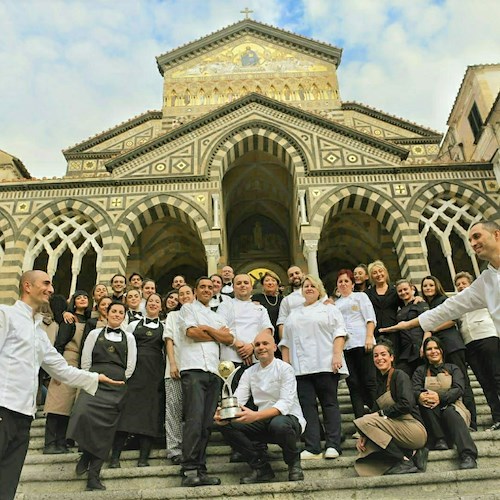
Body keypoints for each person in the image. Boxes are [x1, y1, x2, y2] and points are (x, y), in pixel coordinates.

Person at [0, 271, 122, 499]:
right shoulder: (5, 315)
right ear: (27, 286)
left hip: (24, 416)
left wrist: (95, 378)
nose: (51, 289)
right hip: (2, 408)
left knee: (7, 481)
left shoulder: (37, 331)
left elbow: (61, 369)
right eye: (46, 283)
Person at [382, 220, 499, 346]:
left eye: (477, 236)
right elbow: (448, 308)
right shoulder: (486, 281)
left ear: (496, 234)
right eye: (470, 240)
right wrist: (407, 324)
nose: (473, 244)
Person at [215, 331, 306, 483]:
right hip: (262, 422)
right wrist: (224, 414)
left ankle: (294, 465)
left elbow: (284, 404)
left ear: (275, 347)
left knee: (279, 423)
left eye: (265, 343)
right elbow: (239, 400)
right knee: (228, 426)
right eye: (257, 345)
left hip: (289, 420)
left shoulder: (285, 369)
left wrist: (255, 416)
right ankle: (261, 468)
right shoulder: (250, 372)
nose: (261, 347)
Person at [67, 301, 137, 491]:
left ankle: (93, 476)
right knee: (81, 414)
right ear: (106, 313)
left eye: (120, 312)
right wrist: (93, 379)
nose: (116, 314)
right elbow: (85, 361)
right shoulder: (93, 334)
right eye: (113, 311)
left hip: (116, 386)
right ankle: (86, 453)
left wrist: (118, 379)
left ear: (124, 316)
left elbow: (130, 366)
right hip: (95, 383)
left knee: (106, 431)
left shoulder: (129, 338)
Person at [280, 275, 348, 460]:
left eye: (312, 286)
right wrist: (286, 366)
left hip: (325, 363)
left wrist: (336, 355)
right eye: (305, 286)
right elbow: (285, 342)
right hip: (301, 369)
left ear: (319, 290)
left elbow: (339, 333)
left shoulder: (329, 309)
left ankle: (333, 444)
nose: (309, 288)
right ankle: (313, 447)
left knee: (329, 404)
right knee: (307, 407)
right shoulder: (293, 314)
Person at [177, 277, 234, 487]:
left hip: (213, 371)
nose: (207, 290)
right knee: (194, 419)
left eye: (210, 287)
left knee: (207, 423)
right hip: (193, 369)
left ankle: (201, 468)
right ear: (195, 290)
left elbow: (229, 339)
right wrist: (216, 333)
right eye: (202, 287)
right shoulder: (188, 309)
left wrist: (208, 330)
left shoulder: (216, 316)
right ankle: (189, 469)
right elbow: (192, 332)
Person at [353, 339, 427, 476]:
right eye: (376, 356)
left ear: (391, 357)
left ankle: (403, 460)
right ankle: (409, 454)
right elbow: (374, 413)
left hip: (413, 428)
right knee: (367, 445)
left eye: (383, 354)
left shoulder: (400, 375)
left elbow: (407, 404)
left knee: (364, 420)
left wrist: (381, 414)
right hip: (396, 428)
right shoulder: (379, 383)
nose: (379, 358)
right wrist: (364, 434)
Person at [110, 293, 165, 468]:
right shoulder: (133, 325)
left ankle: (143, 459)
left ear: (161, 307)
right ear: (145, 305)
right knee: (126, 412)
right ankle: (114, 458)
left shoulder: (164, 327)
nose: (154, 304)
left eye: (157, 302)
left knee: (150, 414)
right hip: (134, 371)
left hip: (154, 374)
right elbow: (124, 346)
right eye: (151, 301)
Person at [420, 275, 476, 429]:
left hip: (452, 346)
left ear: (437, 286)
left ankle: (473, 422)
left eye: (431, 285)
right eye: (425, 286)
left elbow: (453, 319)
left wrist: (432, 328)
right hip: (442, 349)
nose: (428, 288)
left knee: (463, 383)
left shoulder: (444, 300)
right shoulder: (430, 305)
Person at [412, 337, 477, 469]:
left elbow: (459, 389)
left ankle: (468, 455)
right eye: (429, 349)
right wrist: (420, 396)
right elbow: (414, 389)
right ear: (424, 353)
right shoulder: (420, 371)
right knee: (426, 406)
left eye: (436, 348)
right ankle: (439, 439)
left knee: (449, 411)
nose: (433, 351)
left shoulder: (453, 368)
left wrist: (439, 396)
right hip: (431, 413)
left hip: (455, 408)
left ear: (442, 350)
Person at [43, 290, 92, 454]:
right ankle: (50, 443)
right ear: (73, 302)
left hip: (79, 363)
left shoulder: (89, 320)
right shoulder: (69, 319)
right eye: (79, 298)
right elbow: (59, 344)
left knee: (68, 405)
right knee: (57, 403)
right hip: (66, 359)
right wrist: (55, 371)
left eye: (85, 297)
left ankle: (62, 442)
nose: (83, 299)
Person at [454, 271, 500, 431]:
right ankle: (497, 417)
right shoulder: (458, 303)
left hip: (487, 337)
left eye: (463, 283)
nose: (461, 286)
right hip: (470, 344)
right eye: (458, 284)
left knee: (496, 376)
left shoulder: (482, 295)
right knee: (484, 382)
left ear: (471, 284)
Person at [335, 269, 377, 420]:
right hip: (345, 347)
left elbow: (370, 319)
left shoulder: (361, 297)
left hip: (362, 343)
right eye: (340, 281)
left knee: (369, 381)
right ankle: (360, 421)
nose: (343, 284)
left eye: (346, 281)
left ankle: (378, 416)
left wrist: (369, 337)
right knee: (353, 384)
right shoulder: (335, 304)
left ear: (352, 284)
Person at [163, 284, 195, 464]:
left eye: (187, 293)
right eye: (181, 294)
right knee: (174, 409)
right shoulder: (172, 316)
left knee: (193, 411)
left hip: (195, 368)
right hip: (174, 368)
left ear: (194, 295)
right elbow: (169, 340)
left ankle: (191, 447)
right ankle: (174, 450)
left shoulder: (200, 313)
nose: (184, 296)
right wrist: (173, 363)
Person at [365, 260, 404, 359]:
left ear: (385, 272)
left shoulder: (395, 290)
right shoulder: (367, 294)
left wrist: (417, 298)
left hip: (393, 332)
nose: (378, 274)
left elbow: (406, 302)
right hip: (375, 333)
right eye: (374, 273)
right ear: (371, 277)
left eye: (380, 271)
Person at [394, 279, 430, 378]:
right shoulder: (400, 311)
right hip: (405, 352)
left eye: (405, 289)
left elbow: (428, 326)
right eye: (400, 291)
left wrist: (425, 345)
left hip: (419, 347)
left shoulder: (421, 304)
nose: (403, 292)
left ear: (412, 289)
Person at [252, 271, 284, 355]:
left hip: (279, 337)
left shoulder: (282, 299)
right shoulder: (256, 298)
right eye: (267, 280)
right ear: (262, 284)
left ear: (277, 284)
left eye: (273, 280)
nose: (270, 283)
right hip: (262, 338)